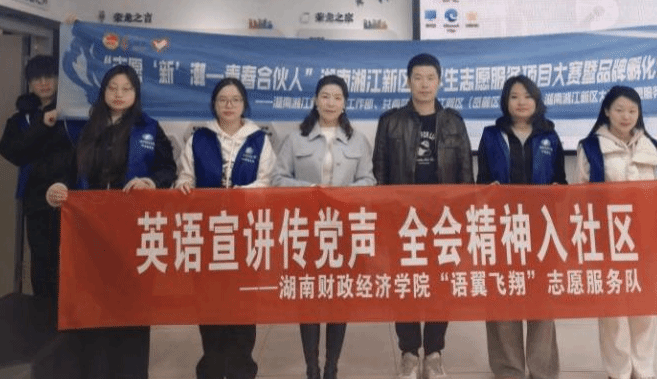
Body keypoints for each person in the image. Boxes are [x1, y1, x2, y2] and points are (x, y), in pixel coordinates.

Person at [46, 64, 176, 379]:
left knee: (131, 308)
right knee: (92, 307)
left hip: (133, 232)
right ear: (103, 91)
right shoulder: (85, 128)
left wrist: (151, 182)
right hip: (89, 234)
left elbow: (168, 170)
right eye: (113, 88)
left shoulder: (149, 128)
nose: (119, 94)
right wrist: (57, 188)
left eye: (126, 89)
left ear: (136, 94)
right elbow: (67, 173)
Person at [576, 85, 657, 379]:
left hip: (646, 236)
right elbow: (583, 193)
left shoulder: (649, 144)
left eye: (632, 111)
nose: (626, 116)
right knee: (613, 308)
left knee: (645, 305)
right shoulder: (590, 146)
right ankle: (619, 370)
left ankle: (643, 368)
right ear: (606, 111)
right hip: (609, 237)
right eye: (619, 110)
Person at [373, 53, 474, 379]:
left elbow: (465, 174)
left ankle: (433, 353)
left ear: (439, 82)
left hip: (443, 219)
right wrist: (386, 216)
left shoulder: (453, 122)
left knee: (440, 285)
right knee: (404, 284)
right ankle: (408, 352)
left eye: (430, 78)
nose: (424, 84)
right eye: (418, 77)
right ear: (408, 82)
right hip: (403, 219)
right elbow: (380, 172)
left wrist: (463, 217)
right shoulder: (390, 121)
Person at [273, 74, 376, 379]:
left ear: (345, 104)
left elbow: (369, 181)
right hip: (305, 230)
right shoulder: (296, 139)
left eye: (337, 97)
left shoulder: (358, 140)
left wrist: (343, 195)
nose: (331, 103)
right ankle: (312, 367)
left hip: (343, 231)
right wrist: (311, 190)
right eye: (325, 96)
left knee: (338, 299)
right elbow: (278, 179)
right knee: (308, 300)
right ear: (315, 101)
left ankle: (332, 366)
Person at [174, 77, 276, 379]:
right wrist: (184, 185)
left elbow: (267, 182)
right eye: (222, 100)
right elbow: (186, 176)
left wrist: (237, 195)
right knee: (209, 302)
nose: (229, 105)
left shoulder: (259, 139)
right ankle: (213, 364)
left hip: (246, 234)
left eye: (235, 100)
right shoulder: (199, 138)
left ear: (244, 104)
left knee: (243, 302)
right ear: (214, 104)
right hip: (207, 235)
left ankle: (242, 366)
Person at [476, 75, 564, 379]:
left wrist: (558, 189)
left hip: (541, 228)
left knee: (541, 297)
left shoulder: (550, 136)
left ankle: (542, 368)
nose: (521, 102)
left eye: (527, 96)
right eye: (514, 96)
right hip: (502, 227)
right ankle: (508, 368)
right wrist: (489, 189)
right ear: (506, 102)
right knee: (503, 293)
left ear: (536, 101)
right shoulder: (491, 135)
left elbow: (560, 180)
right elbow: (481, 181)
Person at [0, 55, 84, 303]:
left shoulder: (73, 114)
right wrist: (42, 125)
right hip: (36, 199)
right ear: (29, 83)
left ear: (58, 79)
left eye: (49, 77)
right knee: (41, 259)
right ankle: (42, 314)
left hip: (71, 196)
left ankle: (68, 312)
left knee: (72, 257)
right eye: (37, 79)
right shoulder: (21, 119)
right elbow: (11, 152)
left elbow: (85, 153)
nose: (44, 83)